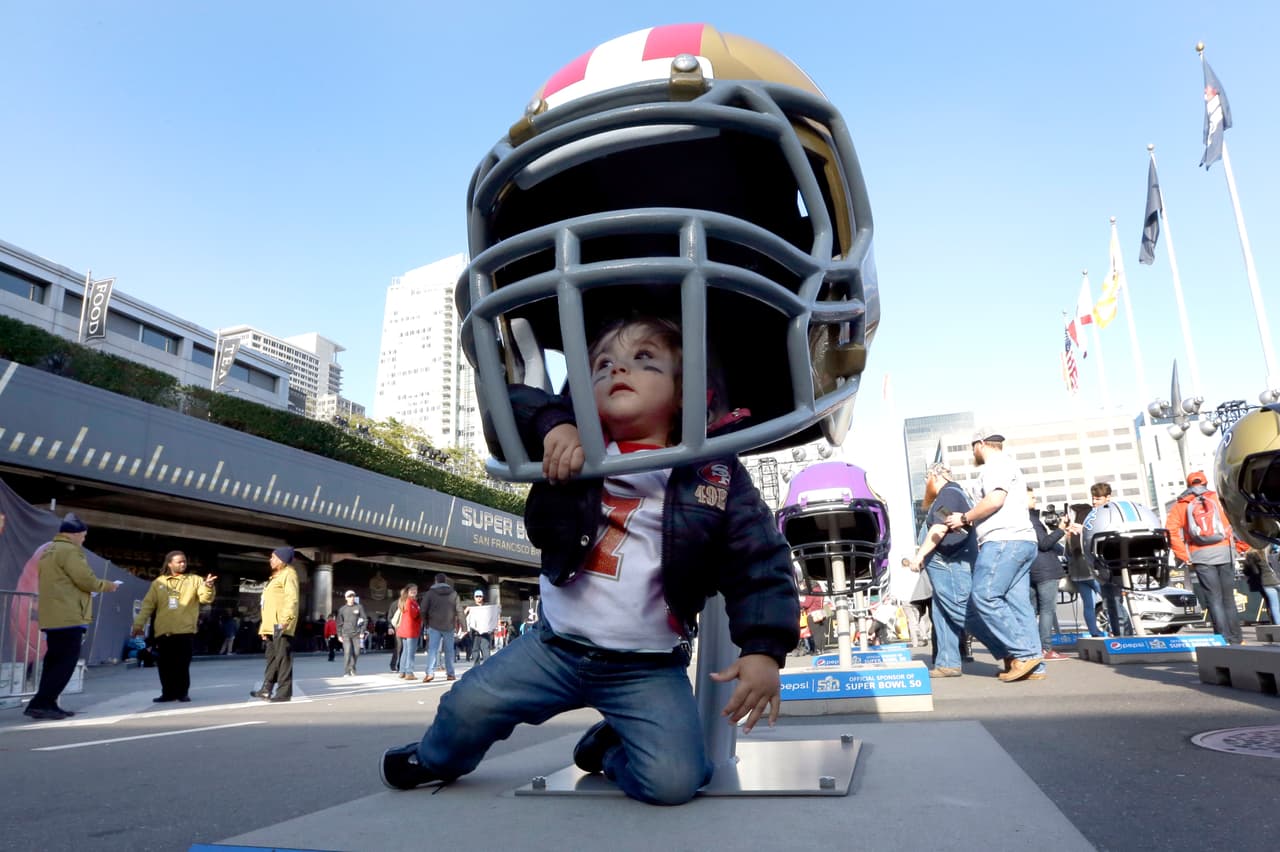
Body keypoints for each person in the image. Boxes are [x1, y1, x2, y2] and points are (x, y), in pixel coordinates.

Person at [379, 314, 799, 805]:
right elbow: (511, 404)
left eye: (644, 360)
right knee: (467, 707)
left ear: (684, 392)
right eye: (602, 365)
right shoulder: (572, 442)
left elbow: (760, 560)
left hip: (646, 666)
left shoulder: (716, 473)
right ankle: (434, 758)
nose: (618, 370)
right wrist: (555, 423)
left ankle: (611, 746)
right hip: (554, 648)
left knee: (676, 781)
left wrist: (764, 649)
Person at [944, 431, 1043, 682]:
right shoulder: (1011, 466)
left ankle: (1022, 654)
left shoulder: (994, 466)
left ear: (980, 445)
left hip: (1002, 541)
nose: (973, 453)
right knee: (1019, 605)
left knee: (984, 596)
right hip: (1022, 540)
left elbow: (996, 499)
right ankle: (1035, 665)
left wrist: (964, 518)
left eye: (973, 448)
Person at [26, 513, 123, 720]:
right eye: (84, 536)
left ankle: (47, 703)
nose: (83, 540)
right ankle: (41, 703)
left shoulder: (49, 550)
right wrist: (109, 586)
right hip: (69, 615)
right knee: (64, 663)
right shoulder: (70, 551)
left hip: (53, 615)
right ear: (76, 534)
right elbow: (85, 580)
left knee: (53, 662)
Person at [907, 463, 982, 677]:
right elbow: (950, 524)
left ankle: (1010, 650)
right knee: (942, 613)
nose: (926, 485)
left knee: (959, 609)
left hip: (951, 562)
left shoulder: (948, 493)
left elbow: (939, 528)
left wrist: (919, 556)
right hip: (947, 562)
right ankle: (947, 662)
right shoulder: (950, 496)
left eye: (926, 480)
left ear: (934, 476)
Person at [1165, 471, 1247, 645]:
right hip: (1225, 552)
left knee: (1213, 598)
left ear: (1188, 485)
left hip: (1200, 556)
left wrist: (1184, 556)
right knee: (1228, 598)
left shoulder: (1181, 505)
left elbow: (1171, 531)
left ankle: (1222, 638)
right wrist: (1240, 547)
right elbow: (1239, 521)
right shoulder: (1218, 499)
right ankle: (1237, 638)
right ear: (1205, 482)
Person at [130, 550, 217, 703]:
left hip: (184, 631)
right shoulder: (159, 583)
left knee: (182, 665)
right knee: (164, 666)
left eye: (184, 561)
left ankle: (182, 693)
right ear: (169, 563)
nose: (183, 564)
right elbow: (148, 605)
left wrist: (208, 586)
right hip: (163, 631)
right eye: (179, 561)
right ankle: (167, 693)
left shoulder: (195, 580)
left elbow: (205, 599)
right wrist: (138, 624)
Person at [250, 547, 299, 702]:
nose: (270, 560)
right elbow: (268, 605)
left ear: (282, 560)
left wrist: (285, 621)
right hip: (271, 625)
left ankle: (284, 693)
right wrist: (264, 628)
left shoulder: (288, 575)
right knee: (272, 658)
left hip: (281, 625)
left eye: (273, 557)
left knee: (283, 659)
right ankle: (266, 689)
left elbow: (292, 599)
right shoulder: (275, 577)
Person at [1085, 483, 1133, 636]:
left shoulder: (1113, 514)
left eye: (1098, 499)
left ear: (1107, 498)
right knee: (1108, 603)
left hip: (1115, 565)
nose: (1094, 502)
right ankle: (1117, 633)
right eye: (1093, 499)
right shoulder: (1093, 516)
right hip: (1101, 566)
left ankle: (1126, 635)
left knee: (1116, 602)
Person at [1027, 489, 1068, 660]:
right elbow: (1044, 544)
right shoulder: (1032, 520)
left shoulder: (1023, 519)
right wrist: (1060, 530)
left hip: (1032, 569)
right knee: (1047, 610)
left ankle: (1033, 648)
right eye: (1032, 497)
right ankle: (1045, 648)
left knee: (1032, 610)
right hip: (1045, 570)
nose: (1035, 500)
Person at [1062, 503, 1105, 637]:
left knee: (1088, 605)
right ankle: (1114, 629)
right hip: (1093, 573)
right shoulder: (1088, 530)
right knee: (1108, 601)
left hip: (1077, 575)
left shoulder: (1070, 533)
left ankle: (1094, 631)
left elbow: (1067, 554)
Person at [422, 574, 461, 682]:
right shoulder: (453, 593)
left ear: (436, 581)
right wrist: (464, 626)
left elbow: (423, 610)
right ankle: (450, 674)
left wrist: (426, 623)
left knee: (433, 650)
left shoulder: (430, 593)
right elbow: (459, 610)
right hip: (449, 625)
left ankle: (430, 673)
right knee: (449, 650)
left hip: (434, 625)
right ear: (445, 581)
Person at [336, 591, 368, 676]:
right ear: (346, 598)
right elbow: (339, 622)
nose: (351, 598)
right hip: (345, 633)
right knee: (347, 652)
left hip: (356, 634)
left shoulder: (359, 607)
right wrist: (339, 635)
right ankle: (346, 671)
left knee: (356, 652)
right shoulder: (342, 609)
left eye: (353, 596)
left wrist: (362, 631)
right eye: (349, 596)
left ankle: (352, 668)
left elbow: (365, 619)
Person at [395, 584, 422, 680]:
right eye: (412, 590)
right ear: (407, 591)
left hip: (404, 630)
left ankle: (402, 671)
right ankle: (409, 672)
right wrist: (421, 612)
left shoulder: (403, 601)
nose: (414, 591)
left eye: (416, 589)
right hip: (411, 630)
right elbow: (413, 615)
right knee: (410, 652)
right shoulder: (410, 602)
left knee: (405, 651)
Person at [465, 589, 494, 664]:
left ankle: (487, 667)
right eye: (477, 596)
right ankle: (476, 667)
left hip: (485, 632)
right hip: (474, 633)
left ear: (483, 597)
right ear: (474, 597)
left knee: (486, 651)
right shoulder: (471, 606)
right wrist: (466, 610)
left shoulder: (487, 606)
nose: (478, 598)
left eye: (480, 596)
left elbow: (494, 613)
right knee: (475, 650)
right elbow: (463, 615)